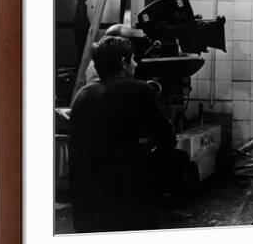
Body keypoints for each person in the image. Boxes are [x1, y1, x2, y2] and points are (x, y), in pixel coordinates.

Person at [69, 35, 189, 232]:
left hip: (86, 199)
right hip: (124, 195)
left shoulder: (82, 94)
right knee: (178, 159)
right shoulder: (139, 89)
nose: (135, 64)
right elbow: (166, 137)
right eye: (132, 59)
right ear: (123, 63)